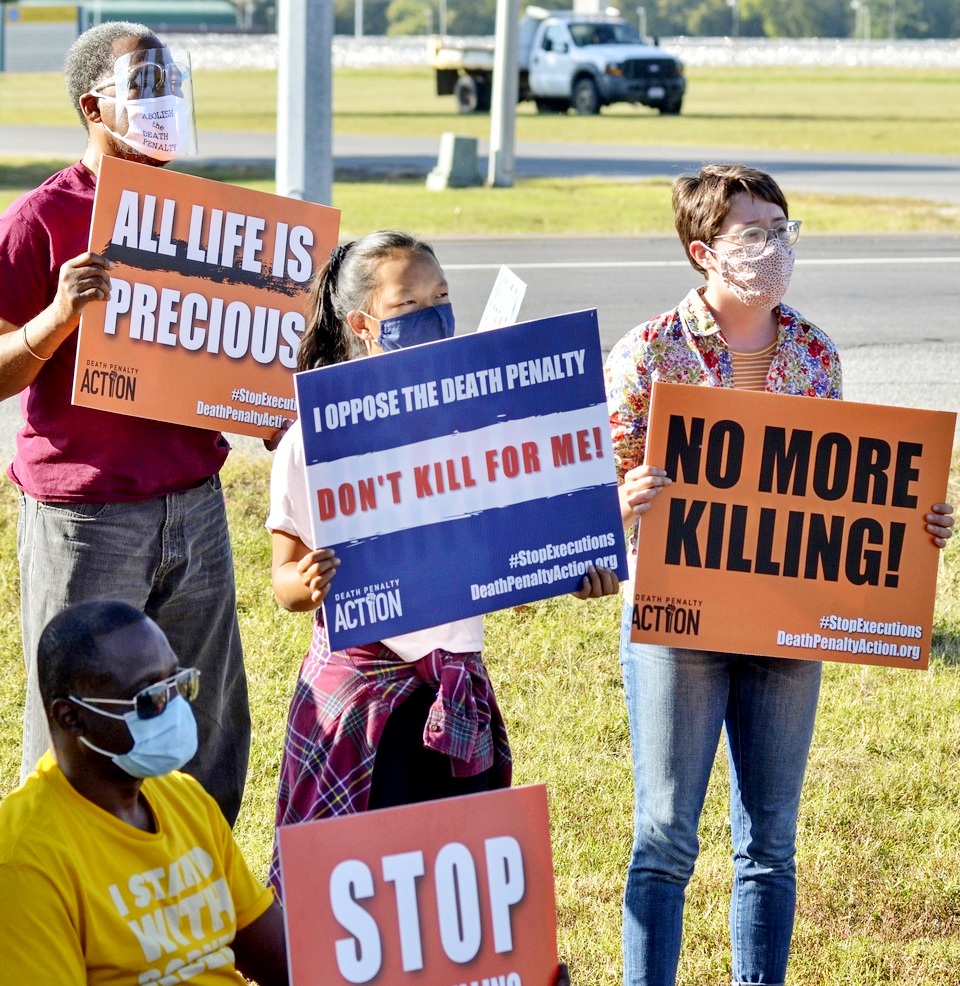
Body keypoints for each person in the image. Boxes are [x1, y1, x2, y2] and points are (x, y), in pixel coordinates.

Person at [603, 164, 955, 986]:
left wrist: (917, 525)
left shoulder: (814, 352)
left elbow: (841, 498)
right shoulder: (647, 353)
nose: (774, 249)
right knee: (663, 837)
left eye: (782, 231)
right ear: (704, 252)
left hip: (788, 620)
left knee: (770, 843)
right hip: (678, 621)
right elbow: (594, 502)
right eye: (753, 235)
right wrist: (624, 496)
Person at [266, 230, 618, 894]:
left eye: (443, 295)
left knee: (448, 897)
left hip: (454, 692)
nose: (435, 312)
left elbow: (508, 560)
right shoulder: (313, 442)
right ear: (364, 325)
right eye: (411, 302)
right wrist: (305, 582)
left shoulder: (478, 427)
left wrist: (576, 565)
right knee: (359, 890)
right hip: (363, 702)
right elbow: (282, 580)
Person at [0, 21, 249, 824]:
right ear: (92, 106)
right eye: (146, 84)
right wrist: (56, 321)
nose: (166, 98)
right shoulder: (42, 219)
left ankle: (201, 900)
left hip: (196, 503)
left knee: (206, 723)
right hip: (88, 516)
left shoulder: (204, 219)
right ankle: (64, 907)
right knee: (78, 723)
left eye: (174, 80)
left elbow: (233, 358)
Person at [0, 600, 288, 985]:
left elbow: (284, 958)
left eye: (178, 683)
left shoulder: (186, 800)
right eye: (150, 698)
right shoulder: (25, 861)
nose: (176, 709)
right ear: (71, 717)